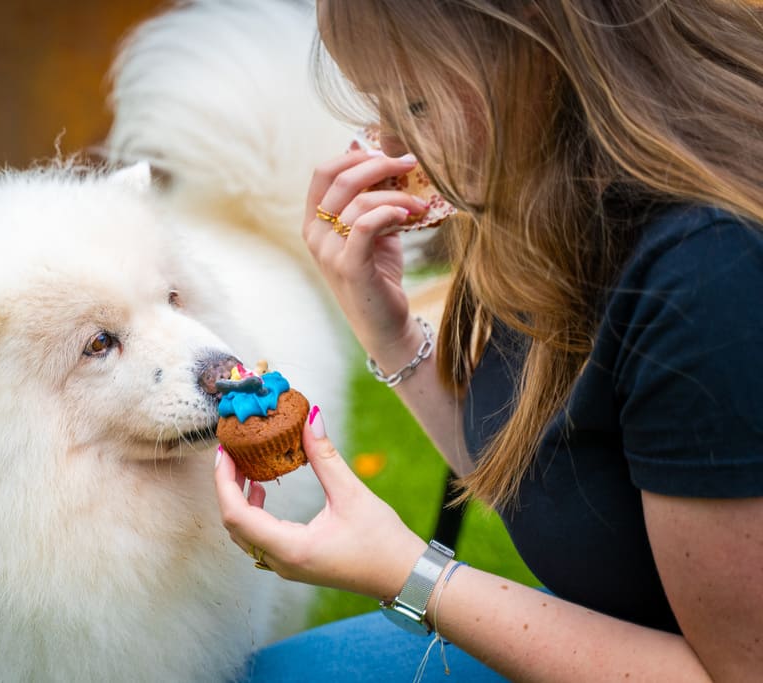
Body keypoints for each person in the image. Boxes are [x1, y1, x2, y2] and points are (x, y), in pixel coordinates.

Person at [214, 1, 763, 681]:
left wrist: (408, 572)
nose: (388, 145)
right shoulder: (549, 188)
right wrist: (383, 324)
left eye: (414, 100)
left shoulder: (707, 277)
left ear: (534, 47)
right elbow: (547, 481)